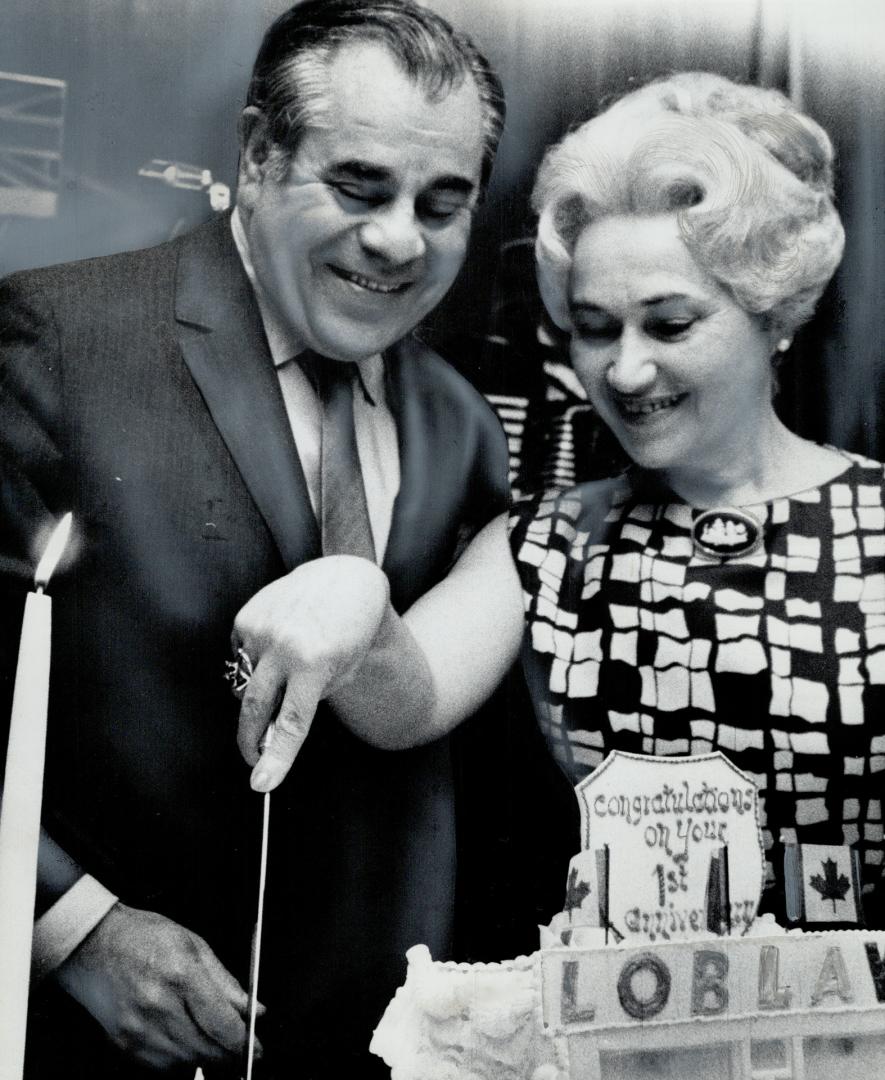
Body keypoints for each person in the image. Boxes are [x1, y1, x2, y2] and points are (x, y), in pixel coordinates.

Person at [0, 2, 516, 1077]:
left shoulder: (462, 419)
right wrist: (73, 930)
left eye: (443, 202)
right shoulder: (57, 340)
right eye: (359, 187)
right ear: (260, 152)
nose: (397, 240)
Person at [257, 72, 885, 927]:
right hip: (622, 1040)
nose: (623, 372)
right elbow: (407, 702)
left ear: (770, 309)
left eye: (669, 325)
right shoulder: (548, 543)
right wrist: (360, 603)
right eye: (593, 328)